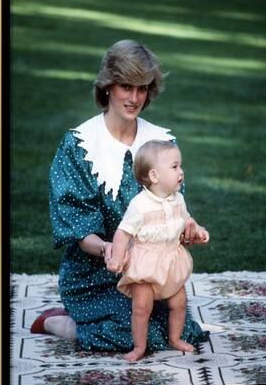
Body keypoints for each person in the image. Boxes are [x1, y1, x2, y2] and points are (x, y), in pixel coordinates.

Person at [30, 39, 210, 352]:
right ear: (108, 87)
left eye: (142, 88)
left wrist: (186, 230)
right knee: (135, 336)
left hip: (150, 273)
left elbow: (173, 208)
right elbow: (79, 228)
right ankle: (61, 323)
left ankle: (95, 324)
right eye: (126, 86)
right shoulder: (80, 145)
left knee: (182, 332)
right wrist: (108, 249)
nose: (135, 97)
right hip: (94, 274)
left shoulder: (161, 143)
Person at [107, 140, 209, 361]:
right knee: (142, 307)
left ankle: (175, 338)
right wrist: (116, 257)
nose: (181, 172)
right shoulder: (140, 205)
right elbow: (123, 233)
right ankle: (139, 347)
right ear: (154, 176)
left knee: (179, 302)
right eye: (174, 167)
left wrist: (197, 230)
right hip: (146, 264)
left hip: (171, 260)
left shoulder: (178, 200)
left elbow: (186, 220)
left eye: (180, 166)